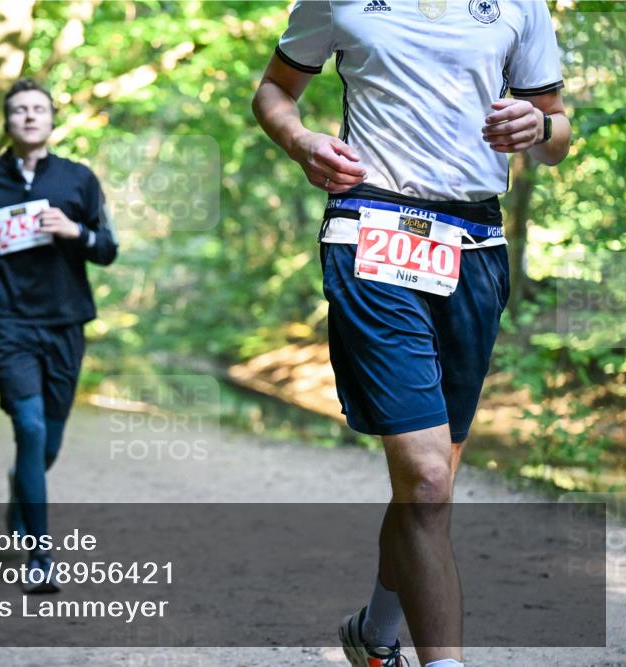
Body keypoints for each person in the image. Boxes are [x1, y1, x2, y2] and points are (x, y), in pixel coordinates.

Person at [252, 1, 569, 666]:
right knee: (426, 479)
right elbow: (277, 89)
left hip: (475, 247)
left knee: (432, 484)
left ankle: (374, 632)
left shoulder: (519, 7)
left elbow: (556, 138)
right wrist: (300, 140)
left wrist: (538, 124)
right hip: (369, 232)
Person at [0, 78, 118, 592]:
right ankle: (39, 556)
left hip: (64, 322)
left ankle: (22, 483)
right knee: (31, 427)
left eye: (37, 109)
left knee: (48, 441)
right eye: (18, 110)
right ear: (7, 121)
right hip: (5, 320)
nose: (28, 116)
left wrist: (76, 231)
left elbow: (107, 247)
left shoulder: (78, 180)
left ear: (52, 119)